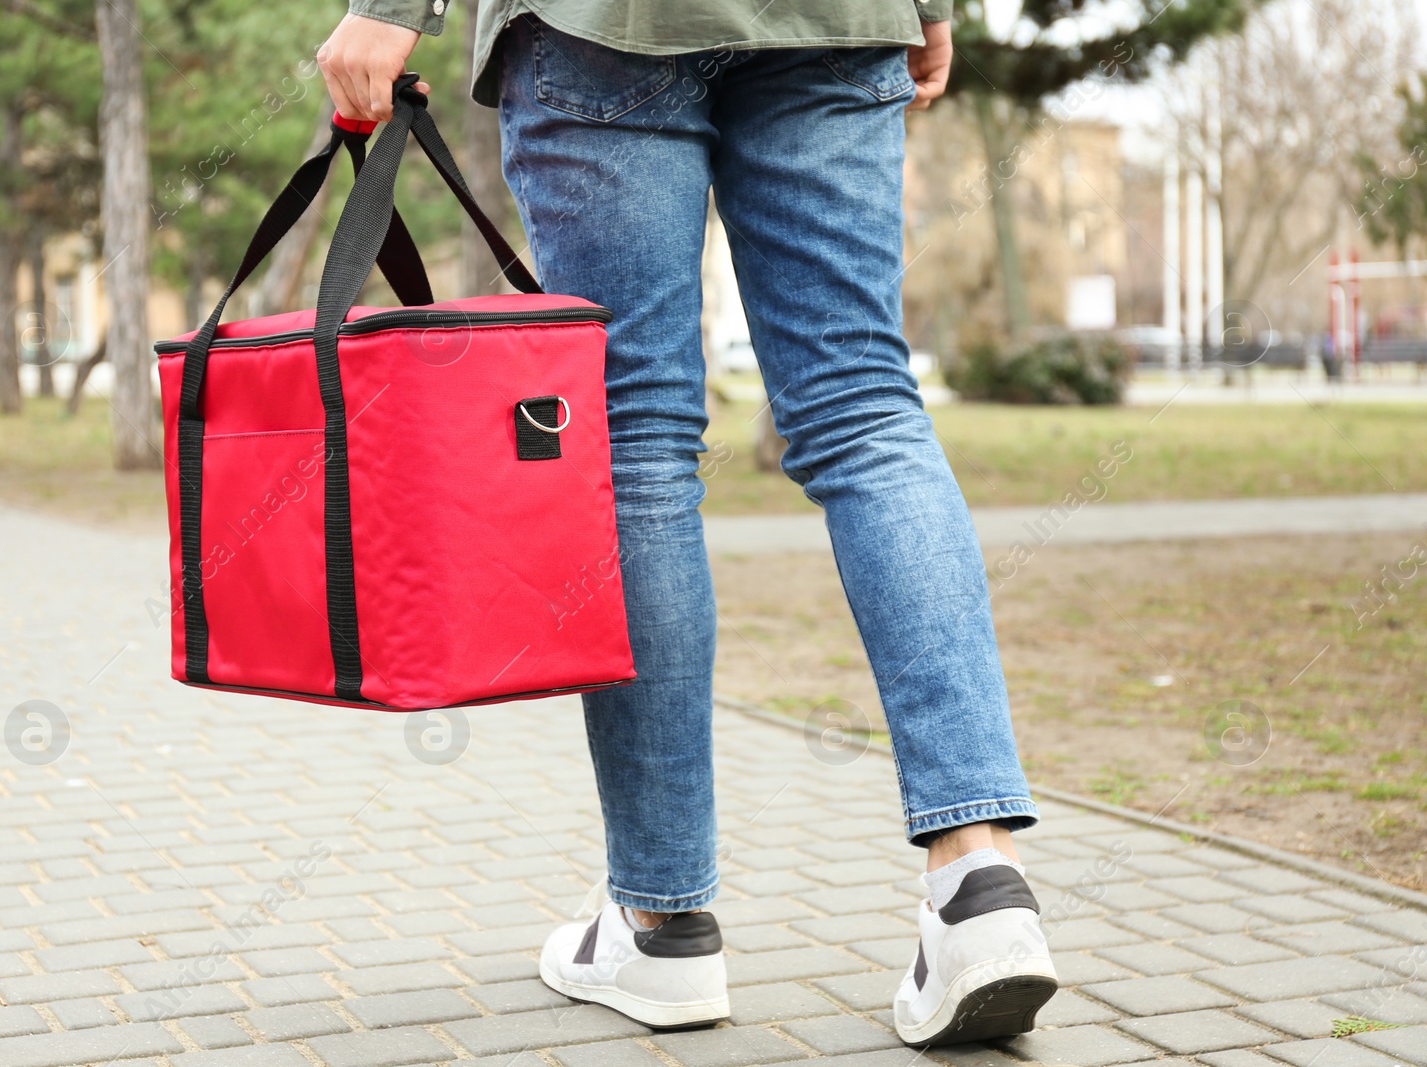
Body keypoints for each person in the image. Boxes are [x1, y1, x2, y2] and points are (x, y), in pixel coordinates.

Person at [318, 0, 1056, 1046]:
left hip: (603, 28)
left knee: (635, 443)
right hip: (834, 19)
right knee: (862, 409)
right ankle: (978, 879)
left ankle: (662, 924)